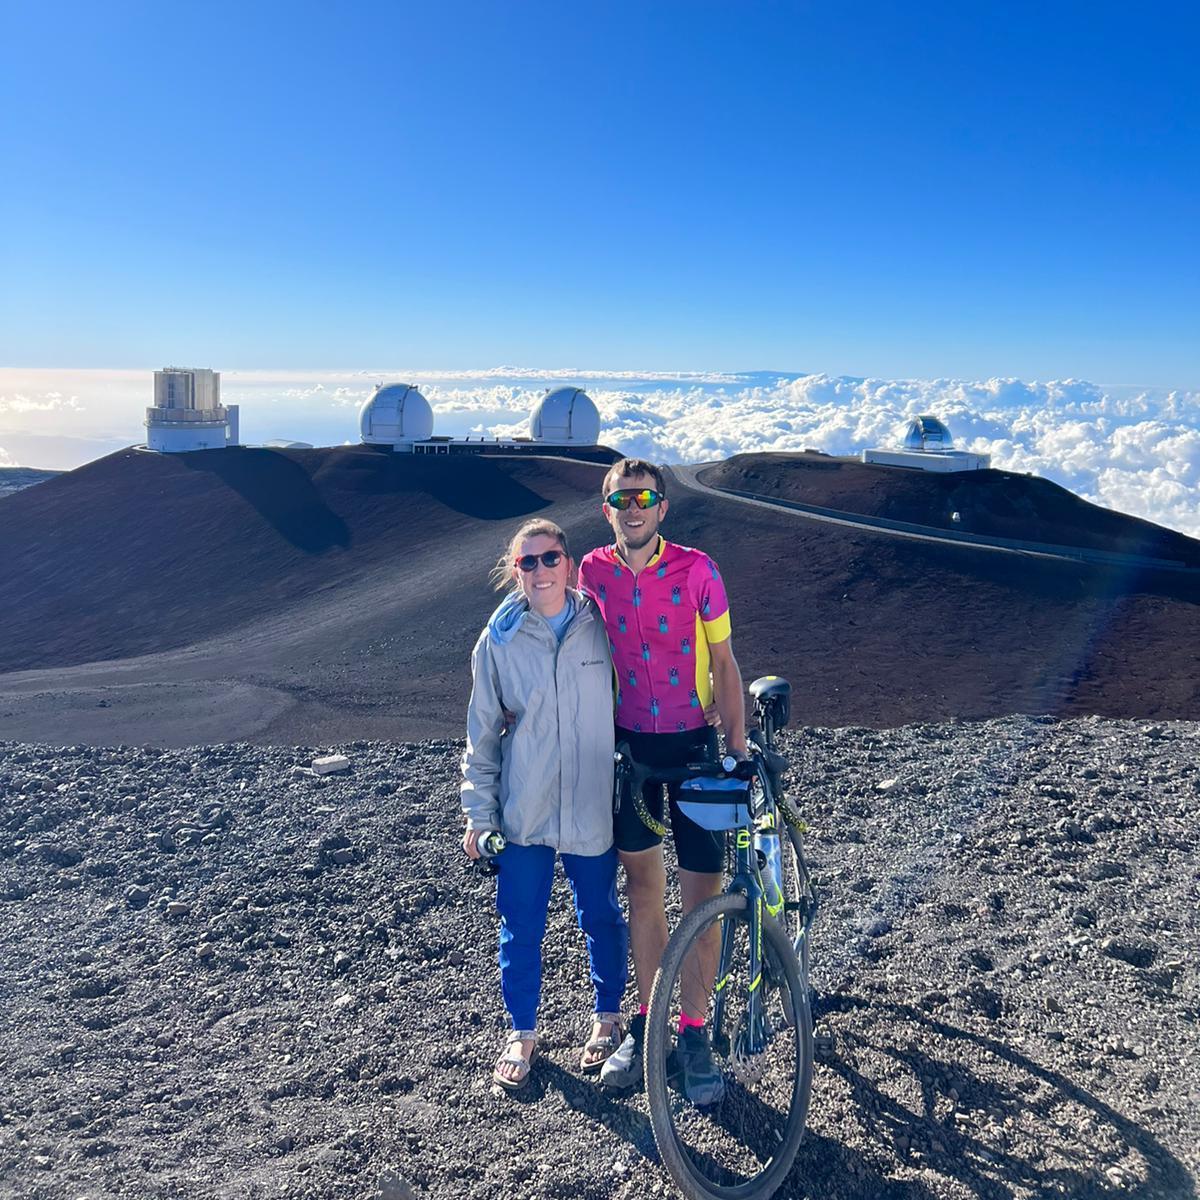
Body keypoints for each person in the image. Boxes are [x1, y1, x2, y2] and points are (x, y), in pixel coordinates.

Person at [578, 458, 747, 1104]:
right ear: (609, 511)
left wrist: (734, 747)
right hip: (635, 755)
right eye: (622, 499)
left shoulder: (699, 571)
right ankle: (648, 1028)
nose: (634, 506)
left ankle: (696, 1032)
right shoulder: (593, 572)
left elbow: (726, 663)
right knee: (644, 891)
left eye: (645, 496)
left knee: (703, 899)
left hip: (696, 751)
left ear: (663, 508)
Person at [460, 517, 629, 1090]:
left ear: (569, 561)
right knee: (520, 922)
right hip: (525, 809)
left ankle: (609, 1019)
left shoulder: (601, 625)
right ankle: (522, 1031)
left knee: (601, 914)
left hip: (589, 804)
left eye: (550, 558)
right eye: (527, 562)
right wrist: (478, 817)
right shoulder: (499, 641)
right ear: (516, 571)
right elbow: (482, 735)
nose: (540, 571)